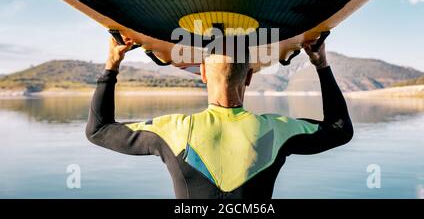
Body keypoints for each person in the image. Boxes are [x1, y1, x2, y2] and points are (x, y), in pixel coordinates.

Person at [86, 35, 353, 199]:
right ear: (249, 76)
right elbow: (340, 129)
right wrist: (321, 63)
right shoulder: (277, 129)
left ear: (202, 72)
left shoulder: (174, 130)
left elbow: (98, 130)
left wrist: (112, 64)